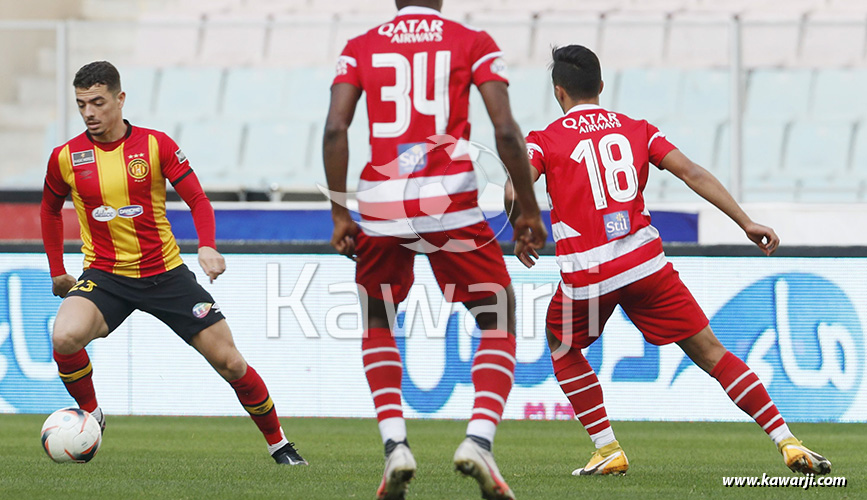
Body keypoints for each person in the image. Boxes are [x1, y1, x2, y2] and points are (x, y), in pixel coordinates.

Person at [505, 45, 831, 477]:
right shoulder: (637, 129)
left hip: (589, 274)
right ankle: (787, 441)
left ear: (558, 92)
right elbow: (691, 172)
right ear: (601, 87)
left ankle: (607, 447)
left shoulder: (543, 141)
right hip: (646, 265)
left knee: (561, 344)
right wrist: (745, 222)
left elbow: (514, 190)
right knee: (712, 353)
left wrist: (524, 224)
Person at [323, 1, 546, 498]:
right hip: (449, 200)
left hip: (381, 201)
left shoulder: (361, 46)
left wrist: (341, 213)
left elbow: (336, 127)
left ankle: (395, 446)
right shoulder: (472, 41)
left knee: (378, 319)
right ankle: (479, 440)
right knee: (499, 314)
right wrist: (528, 209)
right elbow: (505, 129)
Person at [40, 61, 307, 466]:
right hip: (105, 276)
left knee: (230, 362)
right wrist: (58, 269)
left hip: (165, 274)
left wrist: (207, 246)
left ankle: (280, 444)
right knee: (64, 337)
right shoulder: (66, 157)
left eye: (97, 102)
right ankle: (92, 415)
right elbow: (49, 209)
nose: (90, 113)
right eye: (81, 105)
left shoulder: (155, 145)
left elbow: (198, 199)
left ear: (120, 99)